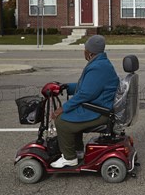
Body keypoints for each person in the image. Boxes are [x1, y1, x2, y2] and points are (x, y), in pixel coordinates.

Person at [50, 35, 119, 168]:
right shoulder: (101, 63)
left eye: (85, 49)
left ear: (90, 52)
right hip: (98, 106)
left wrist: (62, 108)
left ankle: (69, 158)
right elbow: (89, 87)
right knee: (70, 115)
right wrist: (66, 87)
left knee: (62, 121)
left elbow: (85, 94)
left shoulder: (98, 67)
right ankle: (78, 151)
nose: (84, 52)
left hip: (100, 112)